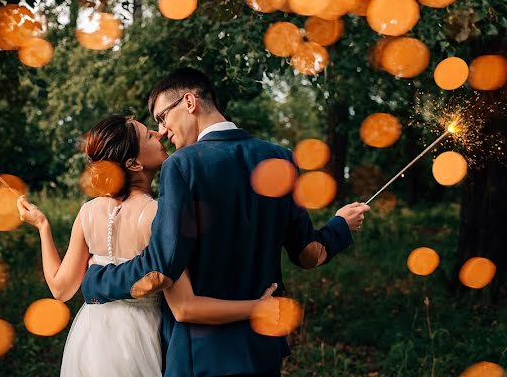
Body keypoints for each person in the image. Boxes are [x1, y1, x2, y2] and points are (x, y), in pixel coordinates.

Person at [79, 68, 369, 377]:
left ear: (189, 102)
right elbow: (309, 254)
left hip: (202, 356)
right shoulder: (281, 158)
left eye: (162, 117)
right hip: (263, 348)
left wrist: (96, 282)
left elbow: (161, 269)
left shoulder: (183, 165)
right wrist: (339, 225)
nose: (162, 131)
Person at [17, 114, 278, 377]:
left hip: (90, 338)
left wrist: (43, 226)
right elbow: (185, 307)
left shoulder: (88, 212)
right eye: (148, 135)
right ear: (133, 163)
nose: (159, 134)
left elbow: (60, 289)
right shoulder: (157, 216)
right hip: (137, 340)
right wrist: (257, 308)